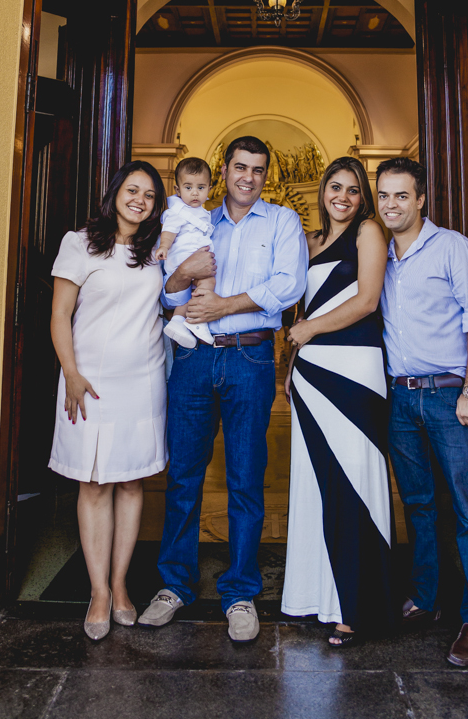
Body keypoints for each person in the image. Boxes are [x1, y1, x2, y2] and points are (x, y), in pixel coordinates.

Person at [138, 136, 308, 643]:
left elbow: (289, 285)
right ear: (224, 171)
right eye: (240, 167)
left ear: (265, 176)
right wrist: (181, 278)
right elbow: (163, 289)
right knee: (184, 474)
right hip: (192, 355)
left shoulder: (281, 222)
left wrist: (223, 305)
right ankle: (174, 586)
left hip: (250, 355)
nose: (248, 177)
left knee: (245, 476)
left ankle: (239, 592)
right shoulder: (193, 217)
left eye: (258, 169)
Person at [376, 156, 468, 668]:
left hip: (451, 395)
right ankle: (426, 598)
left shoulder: (454, 249)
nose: (391, 205)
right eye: (384, 196)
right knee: (419, 504)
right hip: (400, 397)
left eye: (402, 195)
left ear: (421, 199)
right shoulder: (377, 255)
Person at [49, 161, 167, 641]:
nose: (140, 199)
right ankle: (97, 590)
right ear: (115, 192)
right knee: (94, 484)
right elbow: (59, 314)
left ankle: (121, 586)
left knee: (132, 483)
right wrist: (71, 373)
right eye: (132, 190)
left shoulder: (157, 251)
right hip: (89, 382)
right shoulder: (79, 243)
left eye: (150, 195)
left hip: (143, 381)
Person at [282, 156, 392, 647]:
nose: (342, 197)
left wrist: (307, 329)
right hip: (309, 373)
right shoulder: (309, 243)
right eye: (335, 187)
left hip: (354, 371)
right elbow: (304, 307)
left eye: (352, 189)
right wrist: (289, 371)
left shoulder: (369, 231)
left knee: (355, 482)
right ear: (322, 191)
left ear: (361, 196)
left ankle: (359, 605)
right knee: (316, 483)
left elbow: (367, 300)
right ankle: (314, 597)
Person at [156, 156, 216, 349]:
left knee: (192, 291)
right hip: (183, 258)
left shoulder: (203, 212)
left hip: (193, 256)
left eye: (201, 187)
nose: (195, 193)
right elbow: (169, 231)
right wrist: (164, 247)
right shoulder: (177, 211)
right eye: (188, 187)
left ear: (209, 189)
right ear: (177, 190)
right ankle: (197, 321)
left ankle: (178, 321)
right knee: (208, 281)